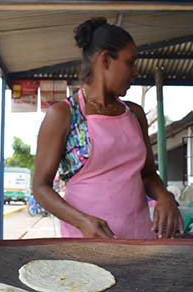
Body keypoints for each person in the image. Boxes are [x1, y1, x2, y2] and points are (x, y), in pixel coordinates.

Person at [32, 17, 183, 239]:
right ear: (105, 60)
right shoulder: (65, 115)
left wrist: (164, 196)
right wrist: (82, 222)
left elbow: (148, 174)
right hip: (87, 243)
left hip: (139, 239)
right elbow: (41, 188)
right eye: (130, 63)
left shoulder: (134, 114)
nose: (136, 72)